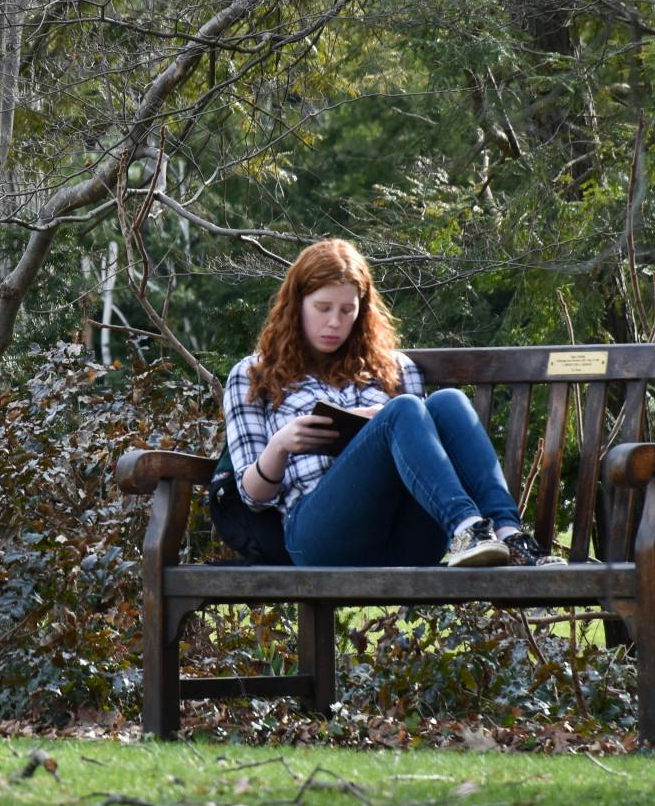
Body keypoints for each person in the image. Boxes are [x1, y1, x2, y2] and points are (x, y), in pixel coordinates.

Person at [224, 238, 565, 569]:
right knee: (402, 409)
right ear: (297, 304)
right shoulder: (253, 374)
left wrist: (386, 420)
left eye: (347, 310)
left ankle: (510, 535)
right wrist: (280, 446)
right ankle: (467, 529)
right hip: (323, 539)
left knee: (448, 401)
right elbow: (253, 498)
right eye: (323, 308)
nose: (334, 322)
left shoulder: (394, 368)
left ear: (361, 311)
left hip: (406, 536)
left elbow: (424, 458)